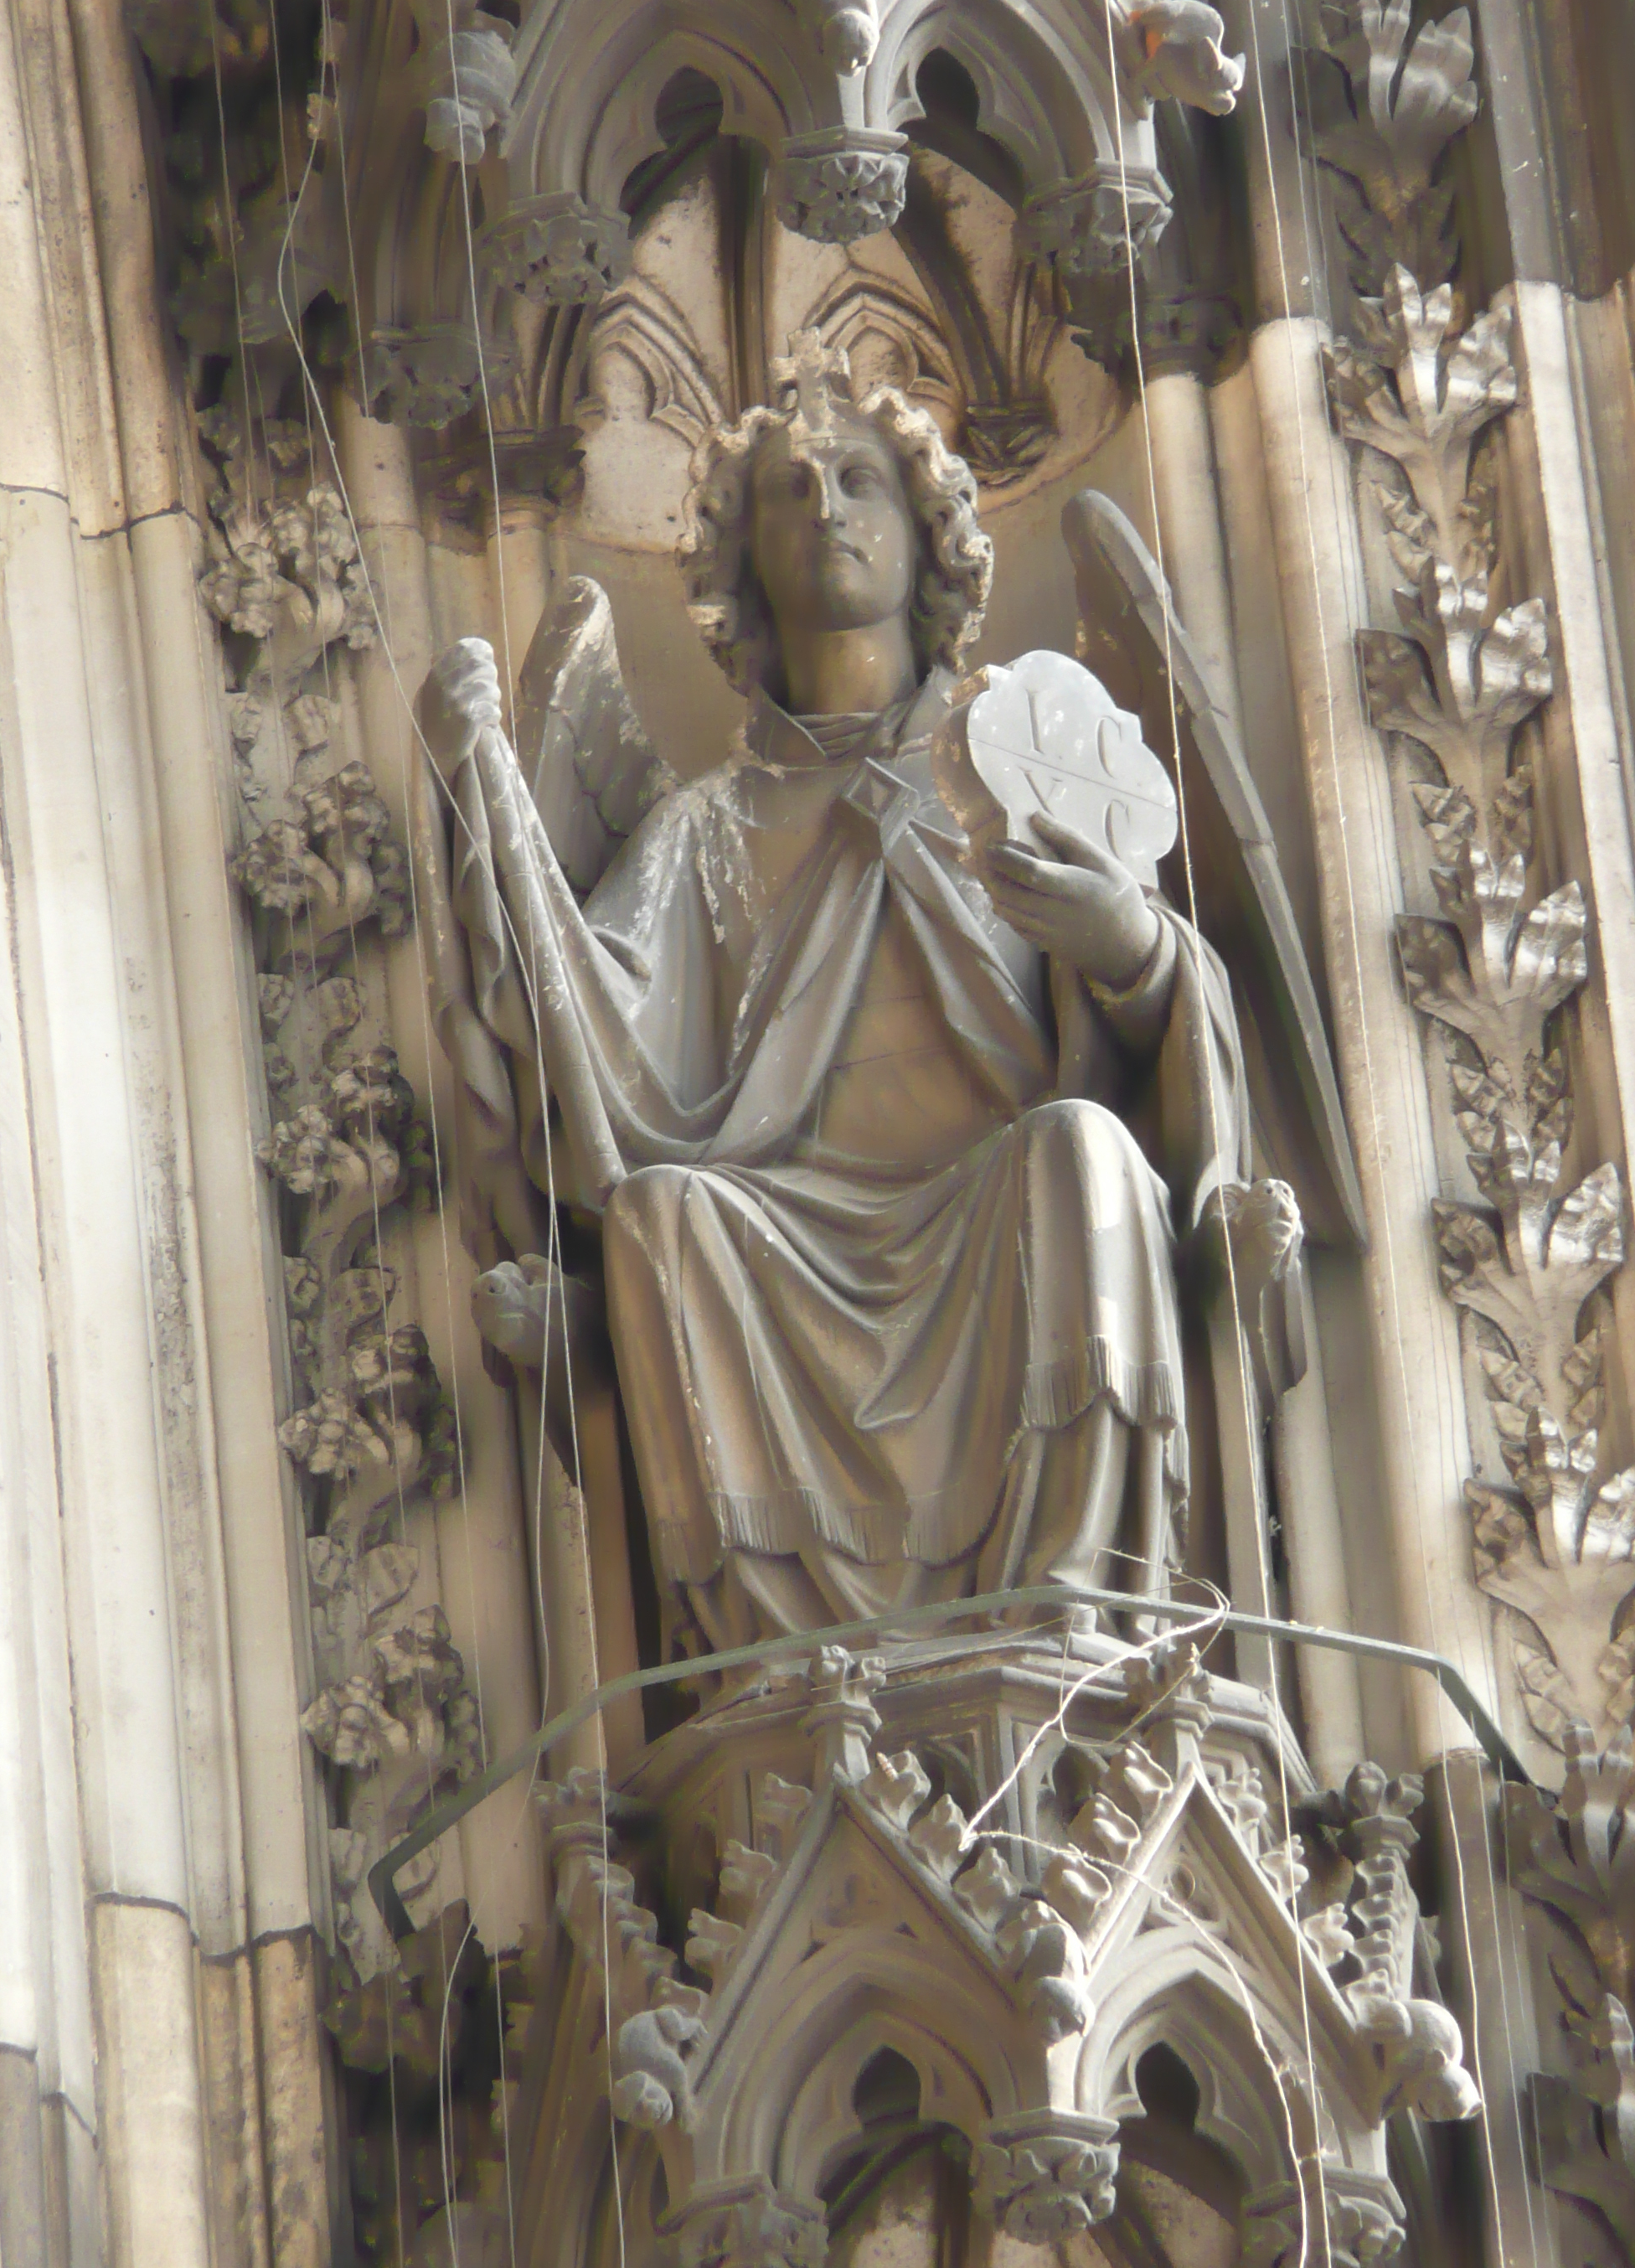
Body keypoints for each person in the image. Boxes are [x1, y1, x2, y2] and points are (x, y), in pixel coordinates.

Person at [420, 337, 1247, 1652]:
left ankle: (1070, 1603)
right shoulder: (703, 827)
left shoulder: (1019, 757)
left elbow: (1169, 1026)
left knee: (1085, 1154)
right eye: (791, 496)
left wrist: (1127, 941)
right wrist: (492, 807)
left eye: (860, 482)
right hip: (779, 1228)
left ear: (933, 539)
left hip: (993, 1206)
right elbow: (604, 1039)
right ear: (742, 569)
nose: (829, 513)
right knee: (659, 1217)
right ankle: (789, 1662)